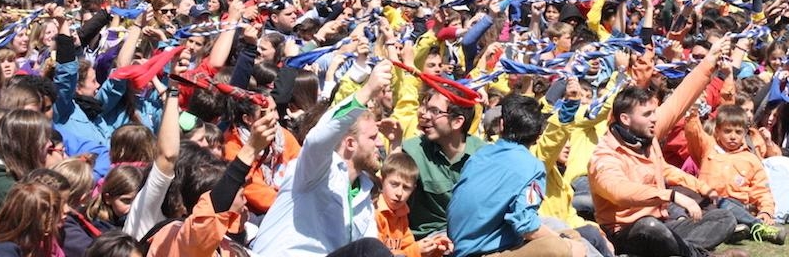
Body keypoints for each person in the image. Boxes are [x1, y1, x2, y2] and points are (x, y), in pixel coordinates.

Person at [250, 61, 394, 256]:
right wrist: (367, 90)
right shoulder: (315, 169)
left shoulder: (364, 193)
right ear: (350, 143)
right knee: (370, 249)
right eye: (372, 137)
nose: (379, 143)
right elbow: (318, 139)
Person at [588, 85, 737, 257]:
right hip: (626, 232)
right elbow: (619, 192)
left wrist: (701, 187)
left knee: (724, 217)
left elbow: (666, 170)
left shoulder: (647, 141)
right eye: (647, 114)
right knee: (649, 228)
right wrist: (671, 196)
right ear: (625, 119)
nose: (654, 119)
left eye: (654, 113)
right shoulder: (605, 155)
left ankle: (675, 250)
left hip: (664, 225)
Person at [449, 92, 589, 257]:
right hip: (483, 252)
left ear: (501, 125)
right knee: (561, 247)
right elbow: (525, 224)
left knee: (572, 234)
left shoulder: (480, 154)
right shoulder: (532, 166)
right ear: (538, 136)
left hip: (462, 246)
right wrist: (566, 245)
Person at [684, 104, 786, 244]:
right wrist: (692, 115)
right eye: (727, 131)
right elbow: (694, 134)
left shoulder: (751, 159)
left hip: (738, 207)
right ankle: (754, 226)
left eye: (738, 132)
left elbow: (762, 191)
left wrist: (766, 211)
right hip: (710, 205)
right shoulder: (708, 148)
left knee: (729, 206)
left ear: (745, 132)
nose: (733, 137)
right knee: (719, 203)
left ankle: (739, 227)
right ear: (717, 131)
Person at [403, 86, 483, 239]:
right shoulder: (412, 151)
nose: (424, 115)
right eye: (425, 109)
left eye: (434, 111)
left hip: (472, 238)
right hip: (430, 241)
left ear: (457, 122)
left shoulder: (484, 156)